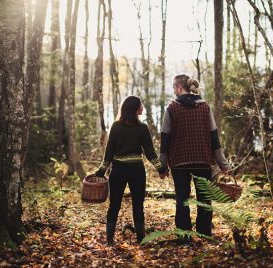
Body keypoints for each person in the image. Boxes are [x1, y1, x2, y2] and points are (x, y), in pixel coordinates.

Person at [160, 74, 231, 239]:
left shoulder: (171, 109)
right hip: (203, 161)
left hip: (179, 163)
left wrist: (162, 166)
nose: (174, 91)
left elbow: (165, 140)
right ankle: (204, 233)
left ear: (179, 88)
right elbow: (214, 138)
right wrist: (223, 164)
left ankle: (184, 236)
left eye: (174, 88)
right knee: (205, 200)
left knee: (182, 200)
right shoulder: (205, 108)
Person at [95, 95, 167, 245]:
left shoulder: (119, 126)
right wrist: (160, 168)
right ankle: (140, 239)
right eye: (141, 105)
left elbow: (109, 153)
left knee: (114, 204)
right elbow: (150, 153)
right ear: (134, 109)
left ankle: (110, 240)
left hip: (119, 171)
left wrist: (102, 170)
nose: (143, 108)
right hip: (136, 172)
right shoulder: (140, 128)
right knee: (136, 205)